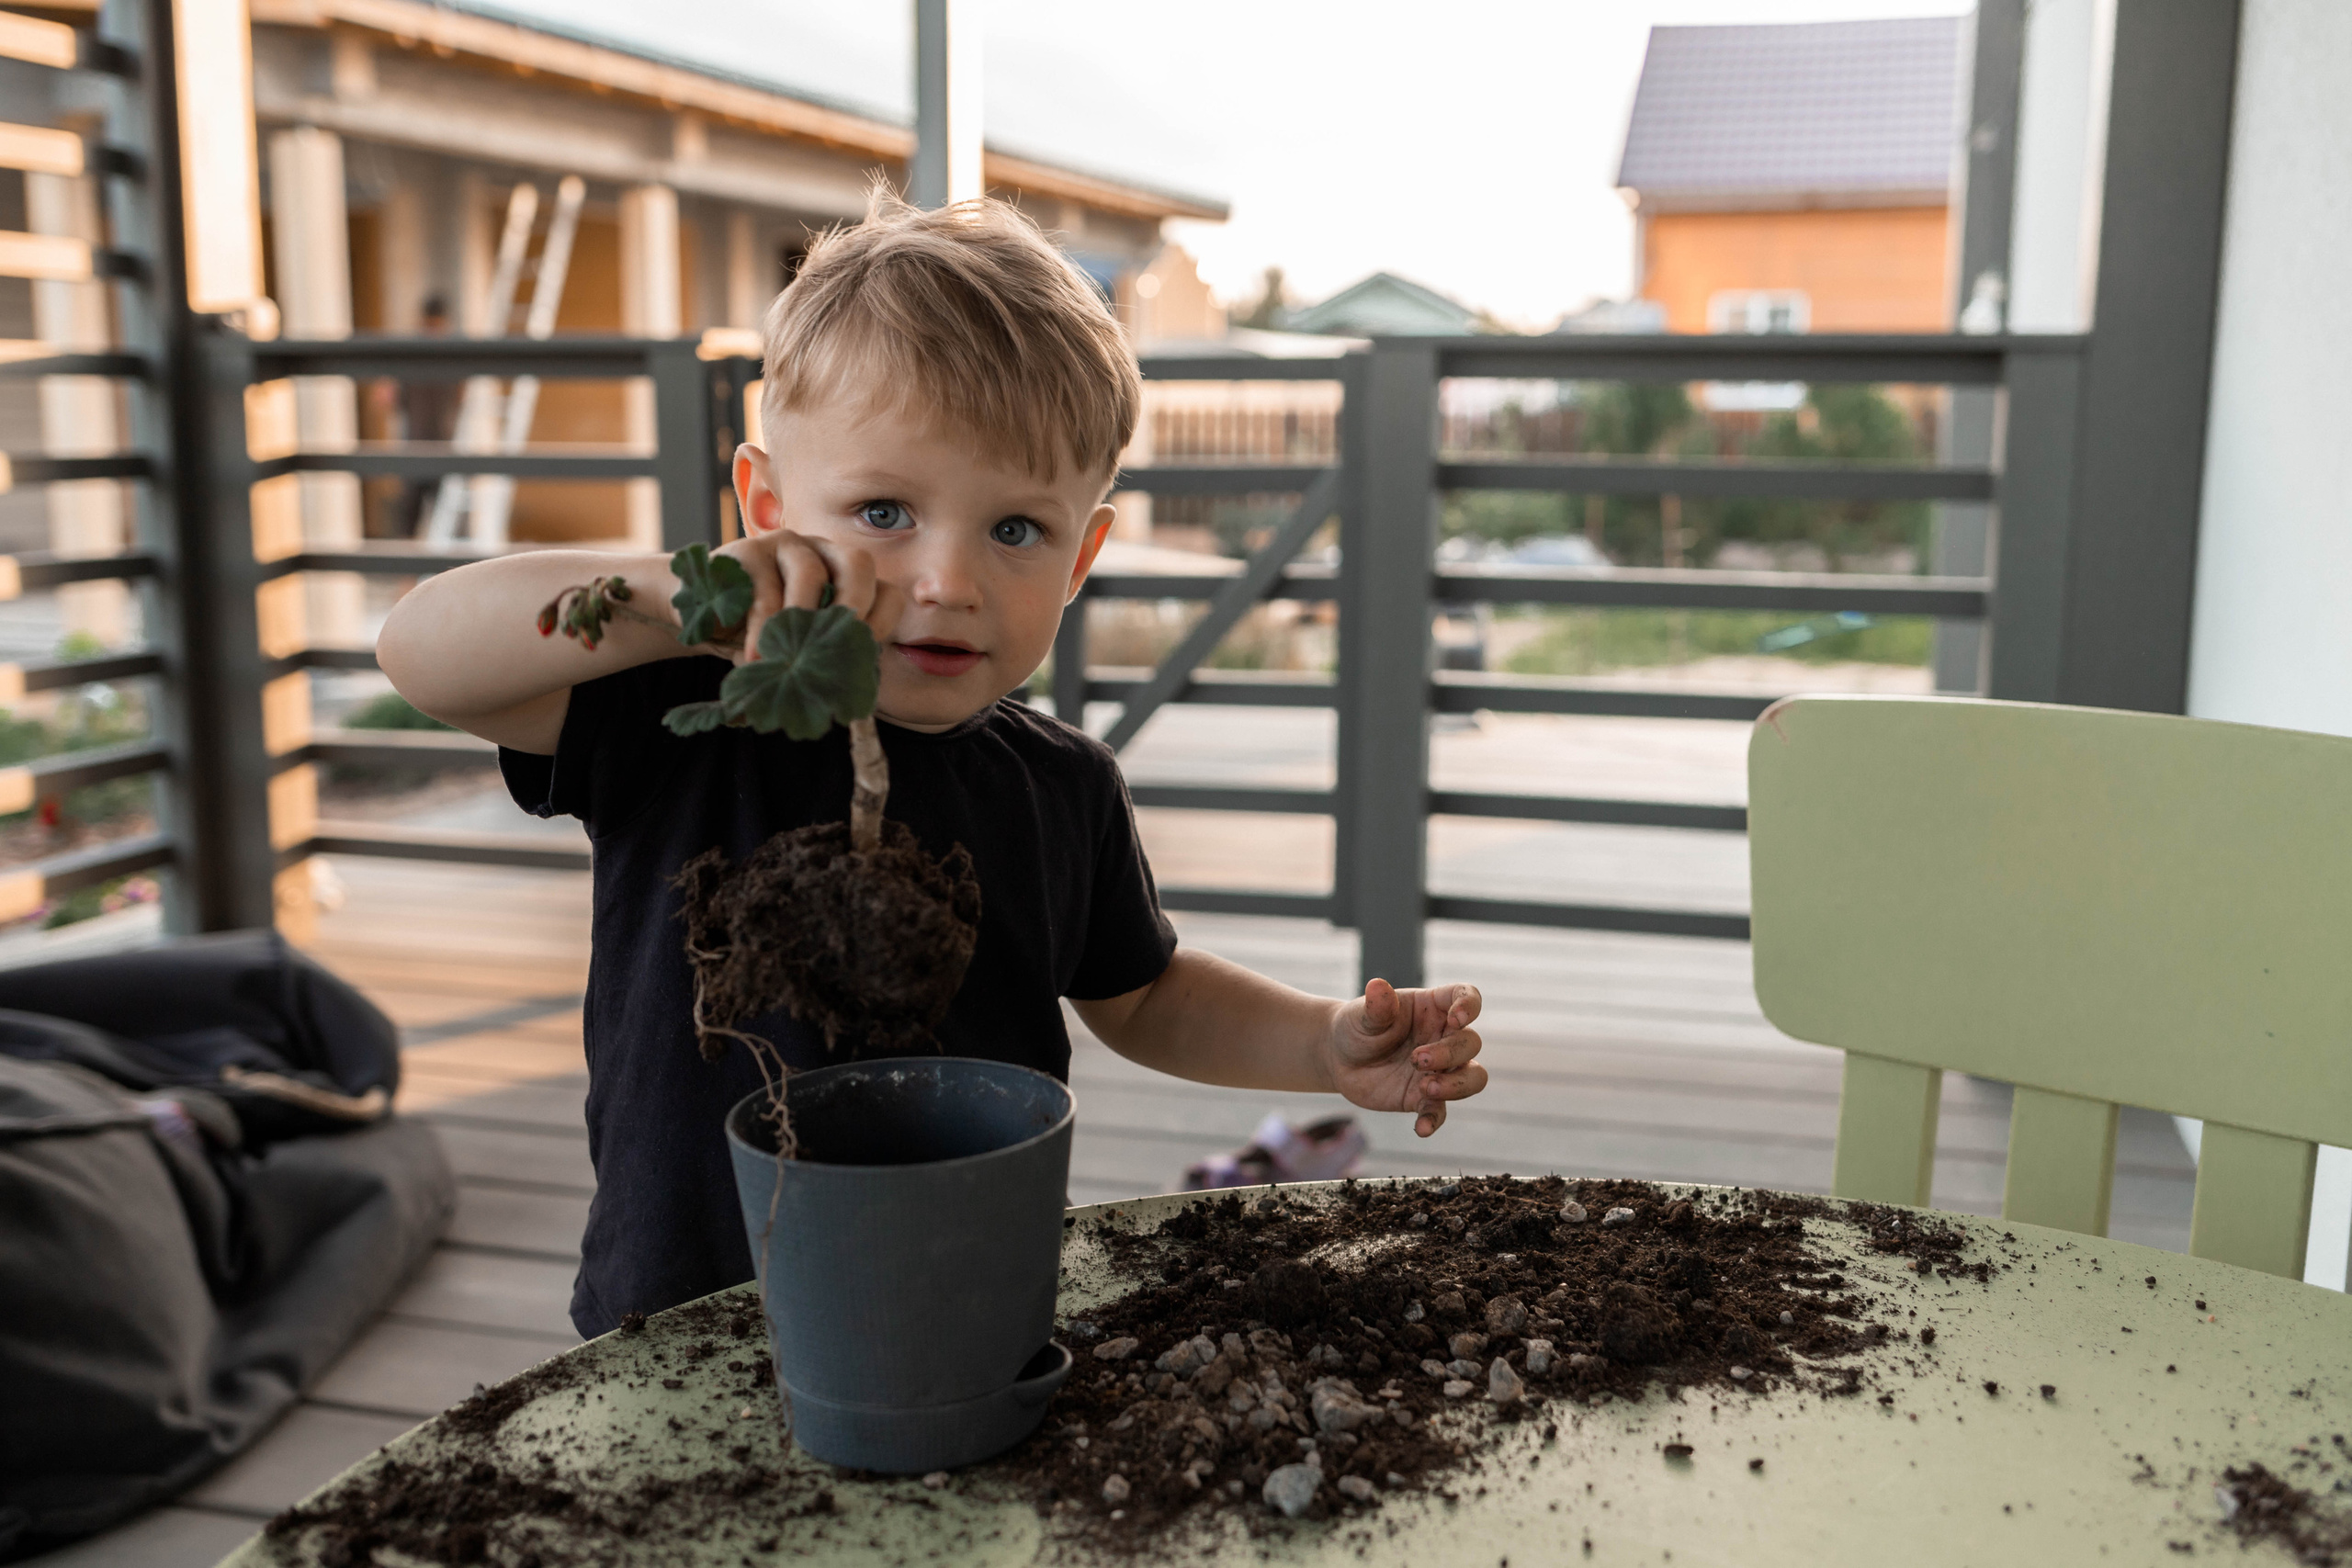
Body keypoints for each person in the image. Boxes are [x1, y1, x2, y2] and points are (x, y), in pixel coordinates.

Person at [376, 193, 1489, 1338]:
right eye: (883, 511)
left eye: (1016, 530)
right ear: (766, 507)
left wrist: (1317, 1042)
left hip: (964, 1311)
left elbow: (1144, 994)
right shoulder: (681, 714)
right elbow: (421, 653)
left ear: (1082, 555)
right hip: (688, 1317)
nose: (948, 578)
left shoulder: (1061, 787)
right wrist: (676, 598)